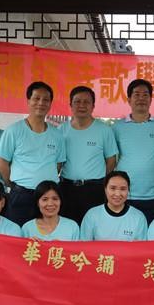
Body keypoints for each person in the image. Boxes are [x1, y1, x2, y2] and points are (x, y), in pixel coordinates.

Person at [0, 81, 66, 226]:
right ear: (28, 101)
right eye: (36, 98)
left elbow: (58, 164)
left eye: (46, 99)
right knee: (19, 235)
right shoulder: (13, 131)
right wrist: (14, 185)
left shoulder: (57, 134)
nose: (41, 103)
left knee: (47, 234)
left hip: (49, 197)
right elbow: (2, 163)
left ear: (50, 104)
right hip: (22, 195)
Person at [112, 79, 154, 224]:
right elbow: (111, 160)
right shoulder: (117, 127)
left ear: (151, 99)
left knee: (152, 236)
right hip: (124, 195)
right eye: (137, 94)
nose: (141, 98)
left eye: (145, 95)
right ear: (129, 99)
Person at [59, 86, 118, 225]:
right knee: (68, 227)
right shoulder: (61, 130)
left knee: (93, 228)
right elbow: (58, 161)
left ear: (93, 106)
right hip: (67, 188)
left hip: (95, 189)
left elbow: (111, 160)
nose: (82, 105)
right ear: (70, 105)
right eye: (77, 101)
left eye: (86, 102)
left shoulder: (104, 130)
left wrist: (100, 180)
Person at [80, 171, 148, 241]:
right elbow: (84, 245)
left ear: (128, 190)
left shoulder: (139, 218)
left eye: (123, 189)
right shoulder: (92, 215)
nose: (117, 194)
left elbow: (141, 247)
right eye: (113, 188)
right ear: (105, 189)